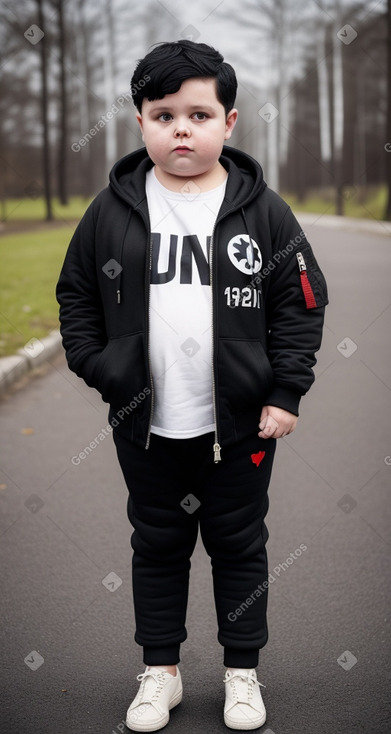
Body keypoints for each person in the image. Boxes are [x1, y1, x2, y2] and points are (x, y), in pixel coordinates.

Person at [56, 39, 328, 732]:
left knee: (239, 545)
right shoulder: (109, 211)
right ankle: (161, 674)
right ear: (140, 121)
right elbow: (77, 297)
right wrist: (105, 371)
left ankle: (242, 675)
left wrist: (284, 392)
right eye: (163, 113)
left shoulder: (261, 212)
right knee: (157, 545)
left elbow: (300, 304)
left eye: (199, 114)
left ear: (228, 123)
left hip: (240, 425)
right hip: (147, 423)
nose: (182, 127)